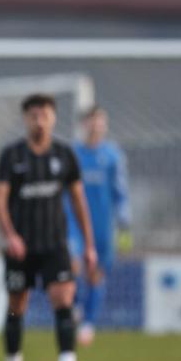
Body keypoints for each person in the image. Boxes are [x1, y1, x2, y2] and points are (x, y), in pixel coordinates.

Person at [0, 94, 97, 361]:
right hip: (20, 248)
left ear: (53, 118)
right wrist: (10, 235)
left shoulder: (64, 155)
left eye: (45, 115)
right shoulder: (11, 156)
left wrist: (89, 246)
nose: (39, 120)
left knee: (63, 300)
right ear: (25, 119)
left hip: (55, 244)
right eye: (34, 115)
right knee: (16, 306)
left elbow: (79, 202)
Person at [64, 106, 131, 345]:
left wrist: (124, 218)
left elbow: (120, 192)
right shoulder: (73, 154)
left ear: (105, 124)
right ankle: (74, 309)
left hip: (102, 224)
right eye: (91, 121)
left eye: (99, 121)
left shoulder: (113, 156)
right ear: (84, 124)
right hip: (74, 222)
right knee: (72, 265)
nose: (95, 126)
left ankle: (88, 323)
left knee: (95, 273)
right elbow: (63, 189)